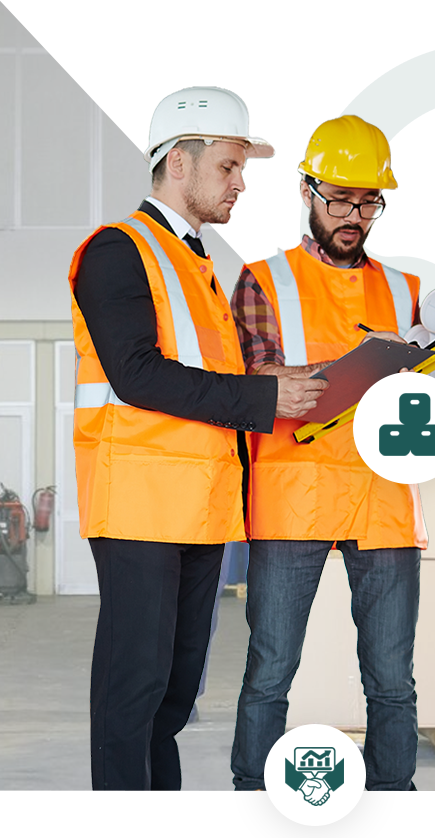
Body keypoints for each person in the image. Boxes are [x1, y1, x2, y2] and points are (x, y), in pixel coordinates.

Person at [68, 86, 327, 793]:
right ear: (178, 163)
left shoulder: (201, 268)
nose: (240, 183)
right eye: (228, 166)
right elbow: (138, 375)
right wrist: (260, 394)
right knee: (136, 690)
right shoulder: (118, 251)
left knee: (176, 693)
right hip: (141, 506)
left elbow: (213, 380)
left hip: (202, 508)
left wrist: (278, 383)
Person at [229, 115, 426, 792]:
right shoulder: (261, 281)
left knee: (392, 679)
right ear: (307, 193)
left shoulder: (406, 291)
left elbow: (420, 391)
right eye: (340, 200)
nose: (354, 216)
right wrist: (339, 370)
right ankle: (253, 791)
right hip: (293, 497)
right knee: (270, 671)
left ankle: (394, 796)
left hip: (384, 500)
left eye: (368, 201)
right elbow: (252, 380)